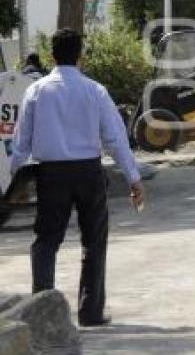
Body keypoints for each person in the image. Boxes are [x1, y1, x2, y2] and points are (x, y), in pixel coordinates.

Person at [10, 29, 145, 327]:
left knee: (46, 241)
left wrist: (14, 179)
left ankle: (42, 313)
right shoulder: (95, 91)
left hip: (51, 174)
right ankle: (90, 312)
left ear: (51, 55)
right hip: (88, 173)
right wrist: (133, 178)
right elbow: (115, 138)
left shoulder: (37, 90)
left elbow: (21, 141)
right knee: (94, 242)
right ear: (80, 55)